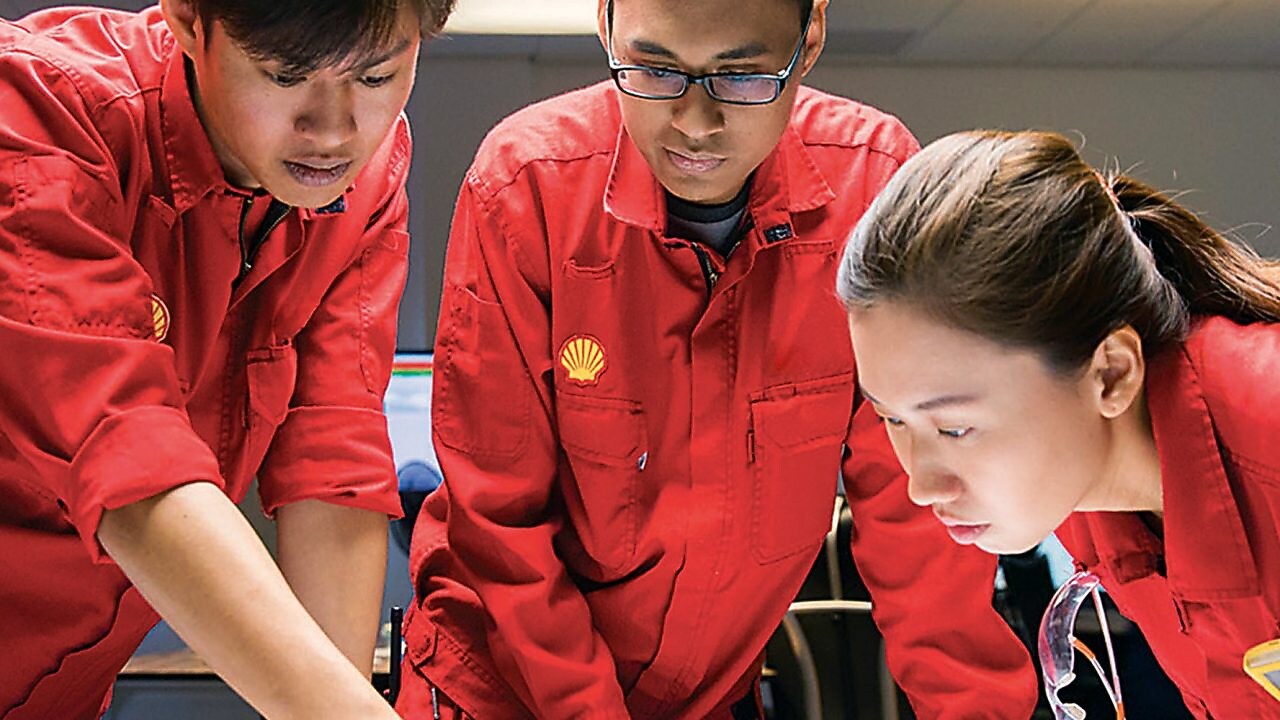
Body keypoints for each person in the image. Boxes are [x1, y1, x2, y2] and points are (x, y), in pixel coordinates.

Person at [397, 0, 1038, 717]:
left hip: (709, 691)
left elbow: (923, 526)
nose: (695, 123)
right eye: (655, 69)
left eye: (741, 77)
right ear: (605, 26)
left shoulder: (873, 192)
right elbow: (500, 529)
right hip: (504, 689)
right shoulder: (527, 189)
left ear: (811, 36)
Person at [0, 0, 454, 718]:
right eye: (283, 75)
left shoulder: (357, 179)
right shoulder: (38, 114)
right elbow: (127, 467)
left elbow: (331, 459)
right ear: (187, 20)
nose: (333, 131)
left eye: (376, 76)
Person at [837, 129, 1280, 718]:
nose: (921, 485)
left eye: (955, 428)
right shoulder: (1087, 487)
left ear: (1111, 374)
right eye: (891, 418)